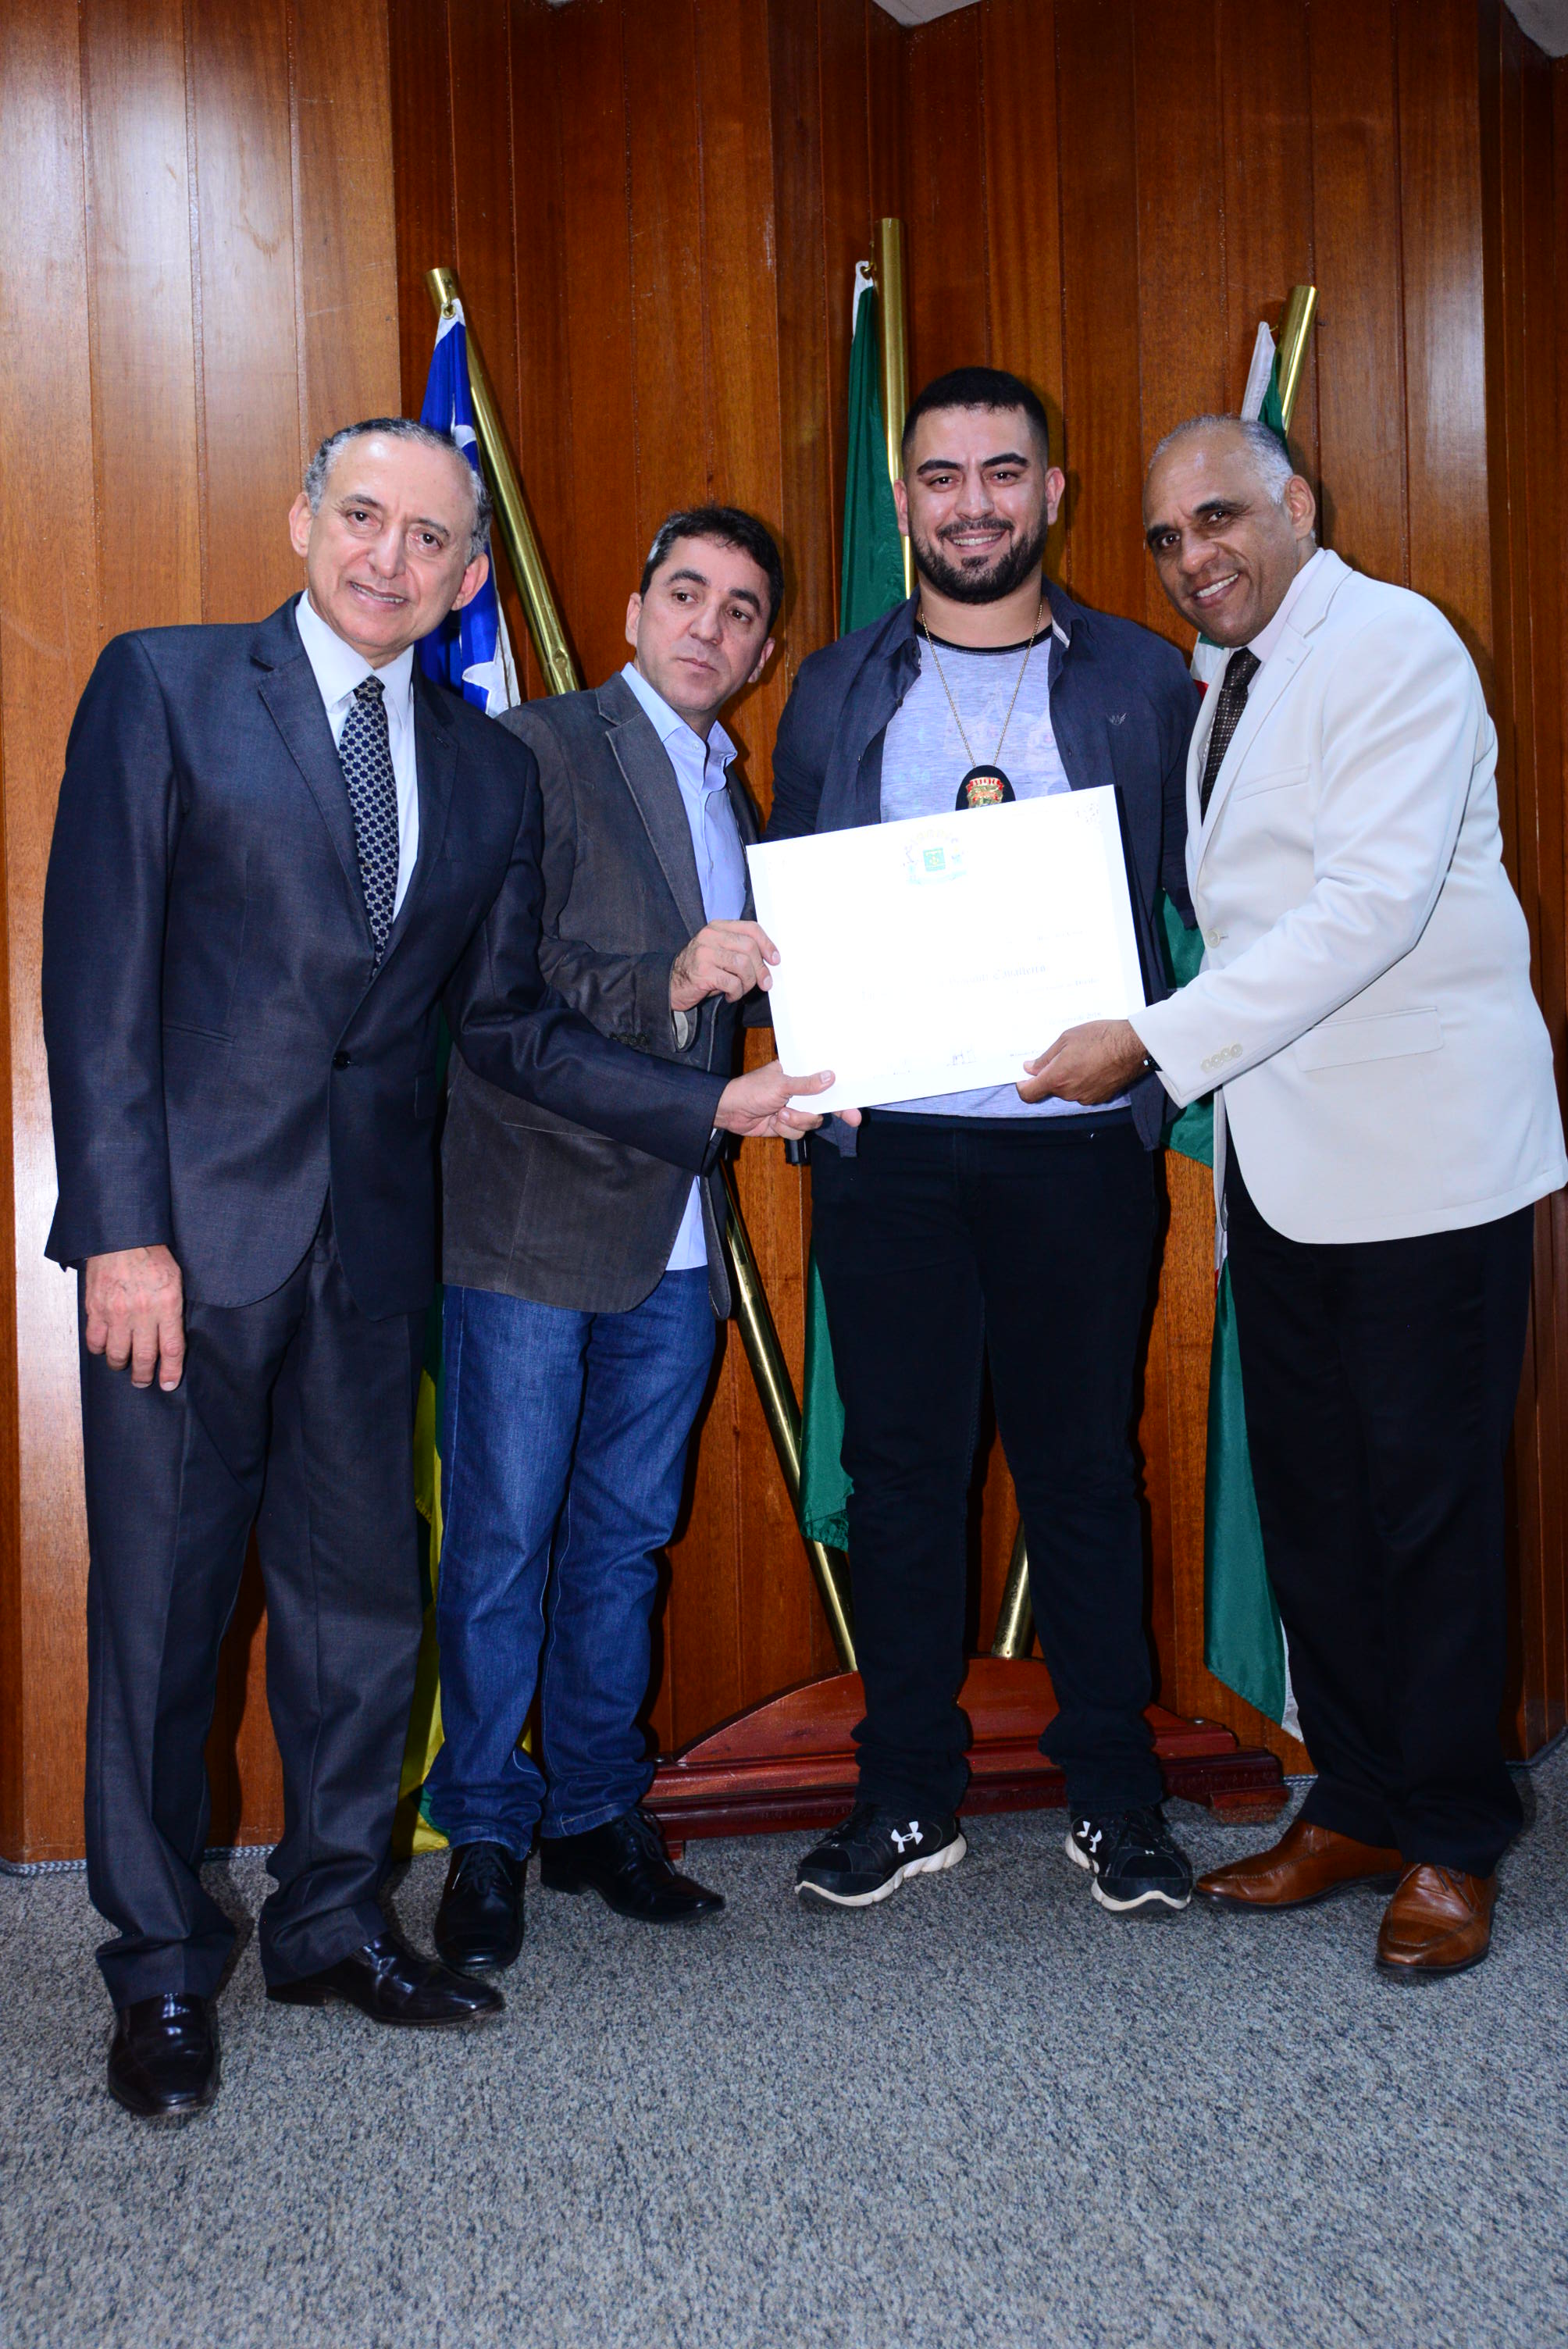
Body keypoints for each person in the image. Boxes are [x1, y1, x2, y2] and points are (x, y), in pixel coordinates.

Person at [42, 419, 832, 2122]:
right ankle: (162, 1964)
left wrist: (709, 1104)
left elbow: (508, 1026)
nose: (387, 558)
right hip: (182, 1253)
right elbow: (94, 976)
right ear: (302, 521)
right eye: (362, 517)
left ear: (471, 576)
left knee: (363, 1610)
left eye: (427, 539)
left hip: (378, 1258)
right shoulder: (167, 687)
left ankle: (333, 1920)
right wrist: (120, 1229)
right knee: (165, 1618)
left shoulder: (482, 769)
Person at [1025, 414, 1566, 1978]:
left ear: (1297, 507)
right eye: (1165, 537)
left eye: (1220, 518)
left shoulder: (1391, 644)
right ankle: (1362, 1800)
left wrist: (1148, 1040)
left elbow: (1365, 908)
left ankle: (1453, 1833)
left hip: (1425, 1165)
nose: (1193, 557)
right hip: (1285, 1166)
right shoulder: (1225, 680)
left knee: (1430, 1514)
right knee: (1318, 1505)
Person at [768, 366, 1201, 1916]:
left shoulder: (1142, 677)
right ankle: (906, 1795)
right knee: (901, 1476)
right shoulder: (835, 686)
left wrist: (1154, 1058)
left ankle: (1115, 1795)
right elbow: (798, 895)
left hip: (1073, 1147)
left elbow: (1204, 899)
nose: (972, 504)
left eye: (1002, 473)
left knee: (1082, 1469)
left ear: (1052, 492)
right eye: (941, 478)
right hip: (889, 1154)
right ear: (903, 505)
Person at [427, 507, 787, 1966]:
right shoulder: (537, 748)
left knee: (626, 1542)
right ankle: (485, 1832)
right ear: (636, 611)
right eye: (687, 593)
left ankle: (590, 1811)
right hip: (532, 1224)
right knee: (504, 1540)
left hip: (680, 1233)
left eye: (741, 611)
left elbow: (752, 999)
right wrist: (675, 980)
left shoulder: (737, 795)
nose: (710, 625)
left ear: (762, 650)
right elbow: (501, 1002)